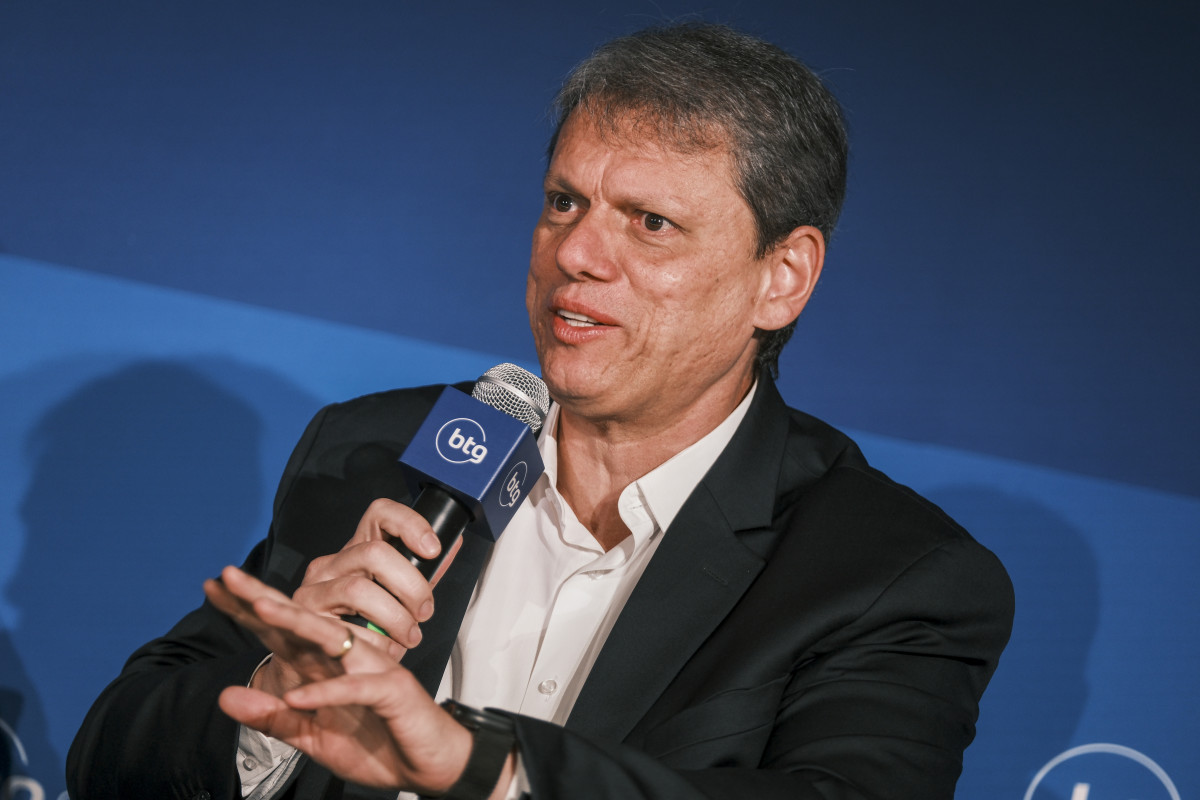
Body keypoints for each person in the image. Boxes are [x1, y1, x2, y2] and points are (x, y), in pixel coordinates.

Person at [67, 22, 1014, 800]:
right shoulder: (380, 451)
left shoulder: (888, 574)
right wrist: (277, 694)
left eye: (650, 222)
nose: (576, 255)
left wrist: (485, 768)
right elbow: (110, 759)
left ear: (783, 277)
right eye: (564, 202)